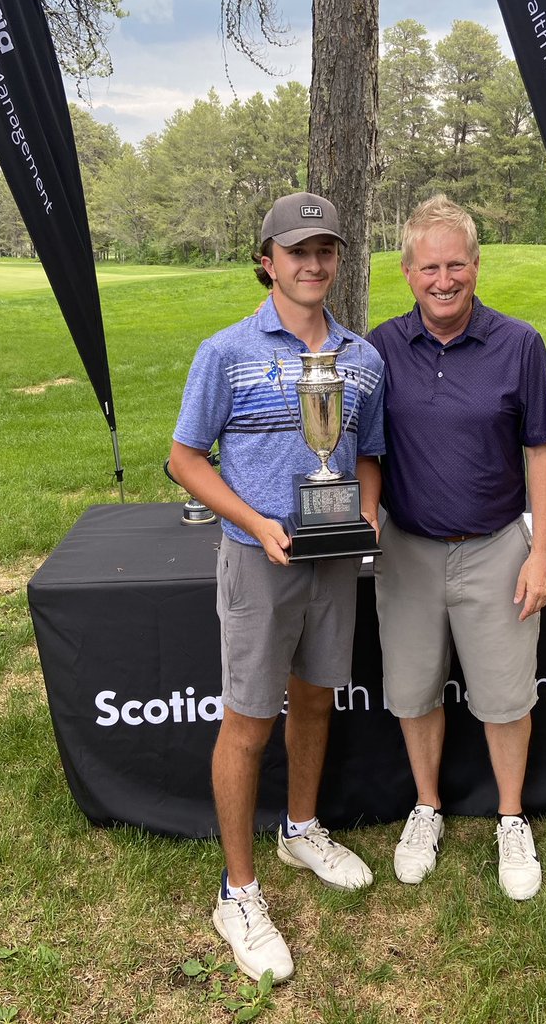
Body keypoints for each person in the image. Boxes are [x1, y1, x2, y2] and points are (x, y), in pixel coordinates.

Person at [168, 191, 385, 984]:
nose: (312, 264)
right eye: (297, 251)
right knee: (249, 720)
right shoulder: (224, 351)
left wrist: (362, 515)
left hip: (331, 559)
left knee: (316, 697)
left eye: (324, 250)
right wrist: (257, 524)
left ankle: (299, 828)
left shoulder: (360, 358)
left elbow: (365, 453)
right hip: (259, 559)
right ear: (267, 260)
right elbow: (185, 459)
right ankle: (238, 890)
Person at [367, 194, 546, 900]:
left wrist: (541, 552)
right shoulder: (379, 348)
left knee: (506, 698)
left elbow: (542, 451)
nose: (442, 279)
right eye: (429, 267)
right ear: (406, 271)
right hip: (409, 550)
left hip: (496, 548)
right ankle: (426, 807)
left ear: (476, 266)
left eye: (455, 265)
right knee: (414, 691)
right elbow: (361, 451)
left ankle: (511, 819)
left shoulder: (519, 344)